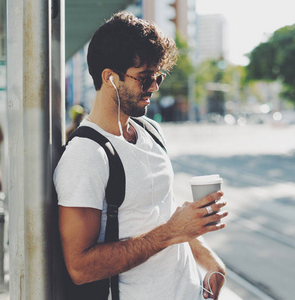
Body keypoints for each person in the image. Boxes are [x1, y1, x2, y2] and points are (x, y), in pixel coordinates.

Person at [54, 11, 228, 300]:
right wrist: (172, 232)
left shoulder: (151, 131)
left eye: (158, 76)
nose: (154, 87)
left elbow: (160, 212)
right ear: (109, 78)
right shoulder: (86, 156)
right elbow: (80, 267)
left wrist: (208, 259)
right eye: (145, 78)